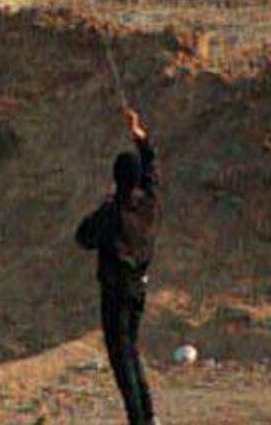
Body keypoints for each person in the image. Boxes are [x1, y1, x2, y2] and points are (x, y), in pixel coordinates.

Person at [76, 108, 160, 425]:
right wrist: (140, 136)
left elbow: (83, 237)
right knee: (132, 352)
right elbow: (153, 170)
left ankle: (139, 420)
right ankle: (148, 417)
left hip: (116, 291)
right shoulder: (149, 203)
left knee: (121, 358)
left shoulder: (113, 213)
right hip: (139, 287)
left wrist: (105, 203)